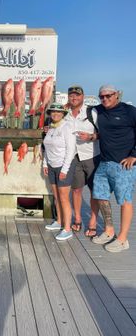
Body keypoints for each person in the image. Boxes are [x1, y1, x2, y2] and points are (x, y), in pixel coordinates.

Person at [91, 85, 136, 252]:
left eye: (108, 96)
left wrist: (134, 155)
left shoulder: (130, 111)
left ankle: (123, 239)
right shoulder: (100, 110)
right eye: (101, 96)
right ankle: (109, 230)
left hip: (123, 165)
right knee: (100, 196)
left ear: (116, 95)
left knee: (125, 201)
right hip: (104, 163)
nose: (105, 99)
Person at [65, 85, 100, 237]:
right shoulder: (64, 113)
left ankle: (92, 221)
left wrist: (91, 137)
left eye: (77, 95)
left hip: (92, 155)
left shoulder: (92, 113)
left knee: (94, 191)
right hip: (73, 156)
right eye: (72, 95)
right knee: (76, 190)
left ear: (83, 97)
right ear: (68, 97)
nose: (74, 98)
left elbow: (103, 133)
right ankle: (78, 218)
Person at [43, 103, 76, 241]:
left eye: (58, 112)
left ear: (63, 114)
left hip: (64, 166)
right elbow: (46, 147)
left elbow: (71, 150)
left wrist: (64, 169)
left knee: (64, 198)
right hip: (52, 165)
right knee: (56, 196)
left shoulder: (67, 127)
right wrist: (45, 163)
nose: (55, 114)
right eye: (53, 112)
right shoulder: (50, 128)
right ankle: (59, 221)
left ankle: (67, 229)